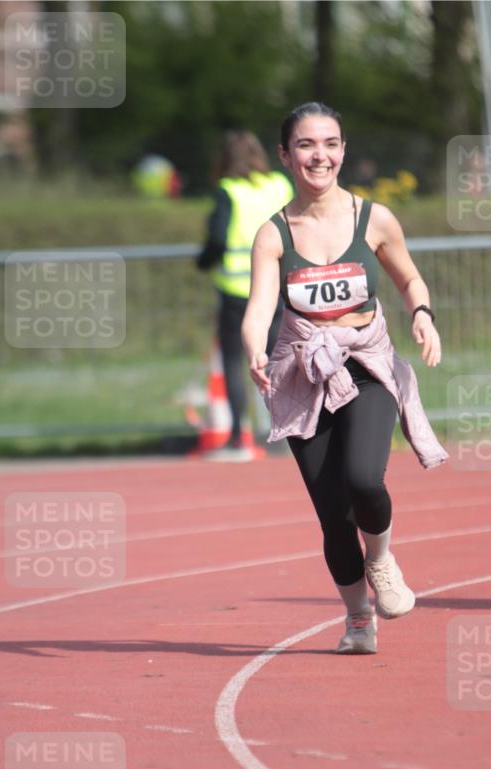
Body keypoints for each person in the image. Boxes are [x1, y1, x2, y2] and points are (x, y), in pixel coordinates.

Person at [242, 103, 448, 654]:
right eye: (306, 145)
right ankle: (359, 619)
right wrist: (253, 347)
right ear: (285, 155)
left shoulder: (374, 219)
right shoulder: (273, 234)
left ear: (343, 150)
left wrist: (422, 315)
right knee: (333, 515)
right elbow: (260, 306)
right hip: (303, 373)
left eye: (330, 143)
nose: (320, 155)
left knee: (363, 479)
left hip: (367, 363)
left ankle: (381, 559)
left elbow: (410, 279)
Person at [197, 131, 293, 451]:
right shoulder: (279, 185)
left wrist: (203, 261)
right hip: (278, 287)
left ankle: (238, 435)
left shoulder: (228, 190)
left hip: (237, 291)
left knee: (236, 362)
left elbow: (217, 239)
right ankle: (286, 431)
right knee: (279, 361)